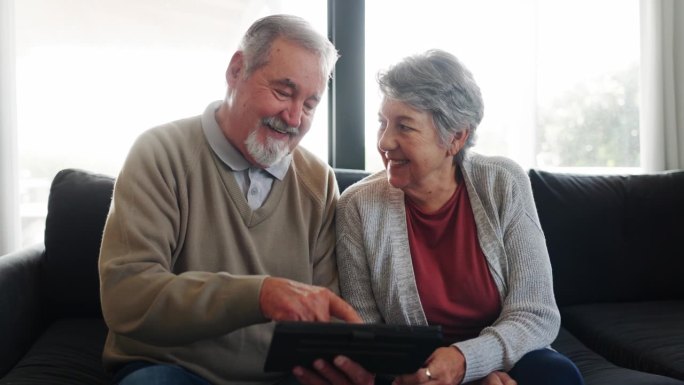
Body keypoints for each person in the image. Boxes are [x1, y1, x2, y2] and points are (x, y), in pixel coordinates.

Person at [98, 14, 361, 385]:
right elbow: (127, 296)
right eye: (284, 92)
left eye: (310, 104)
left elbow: (326, 313)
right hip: (174, 370)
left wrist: (342, 364)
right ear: (237, 70)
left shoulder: (319, 181)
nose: (294, 117)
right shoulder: (160, 152)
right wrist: (259, 295)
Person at [294, 50, 584, 385]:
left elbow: (536, 314)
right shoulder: (358, 206)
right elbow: (367, 335)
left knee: (558, 375)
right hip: (414, 370)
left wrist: (467, 363)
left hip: (502, 357)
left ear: (456, 138)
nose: (385, 141)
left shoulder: (503, 182)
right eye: (382, 123)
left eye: (404, 126)